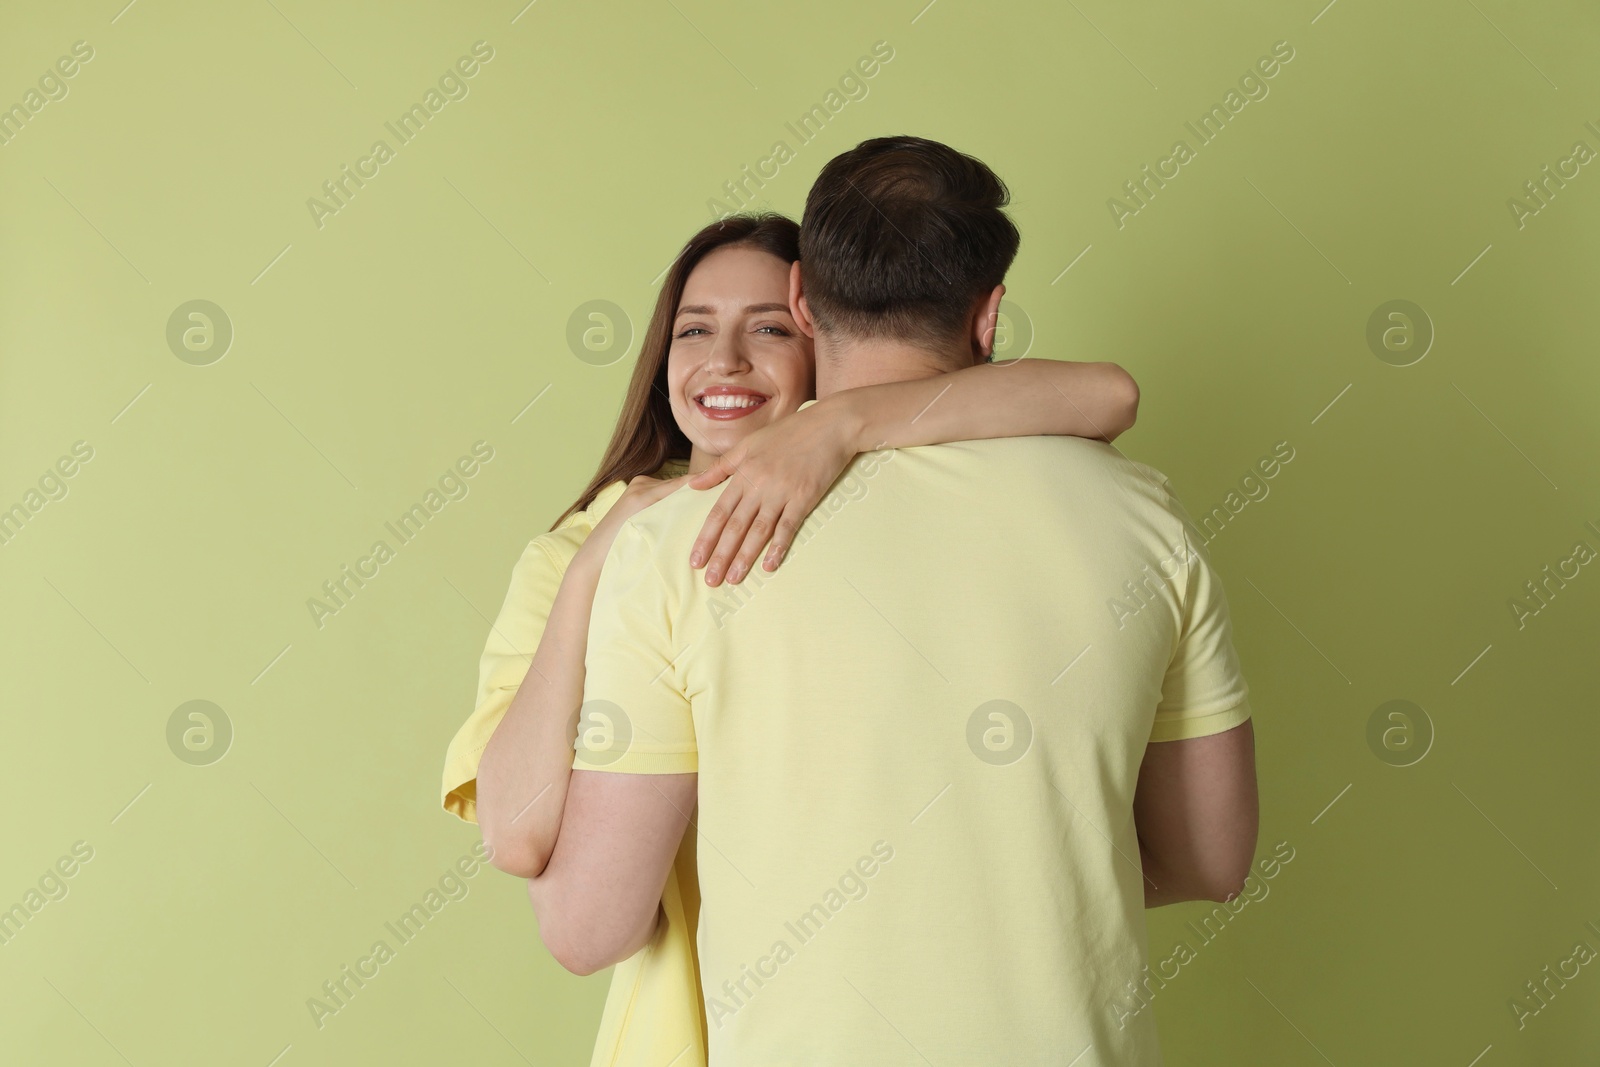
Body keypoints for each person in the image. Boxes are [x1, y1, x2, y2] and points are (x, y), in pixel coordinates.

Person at [530, 136, 1259, 1064]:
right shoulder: (1145, 517)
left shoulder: (685, 541)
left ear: (802, 300)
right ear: (989, 314)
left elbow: (587, 923)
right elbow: (1210, 856)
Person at [441, 212, 1143, 1067]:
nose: (724, 361)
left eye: (767, 327)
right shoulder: (575, 554)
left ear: (817, 329)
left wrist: (843, 424)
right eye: (694, 329)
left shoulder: (874, 502)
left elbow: (1107, 394)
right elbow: (517, 838)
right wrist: (598, 565)